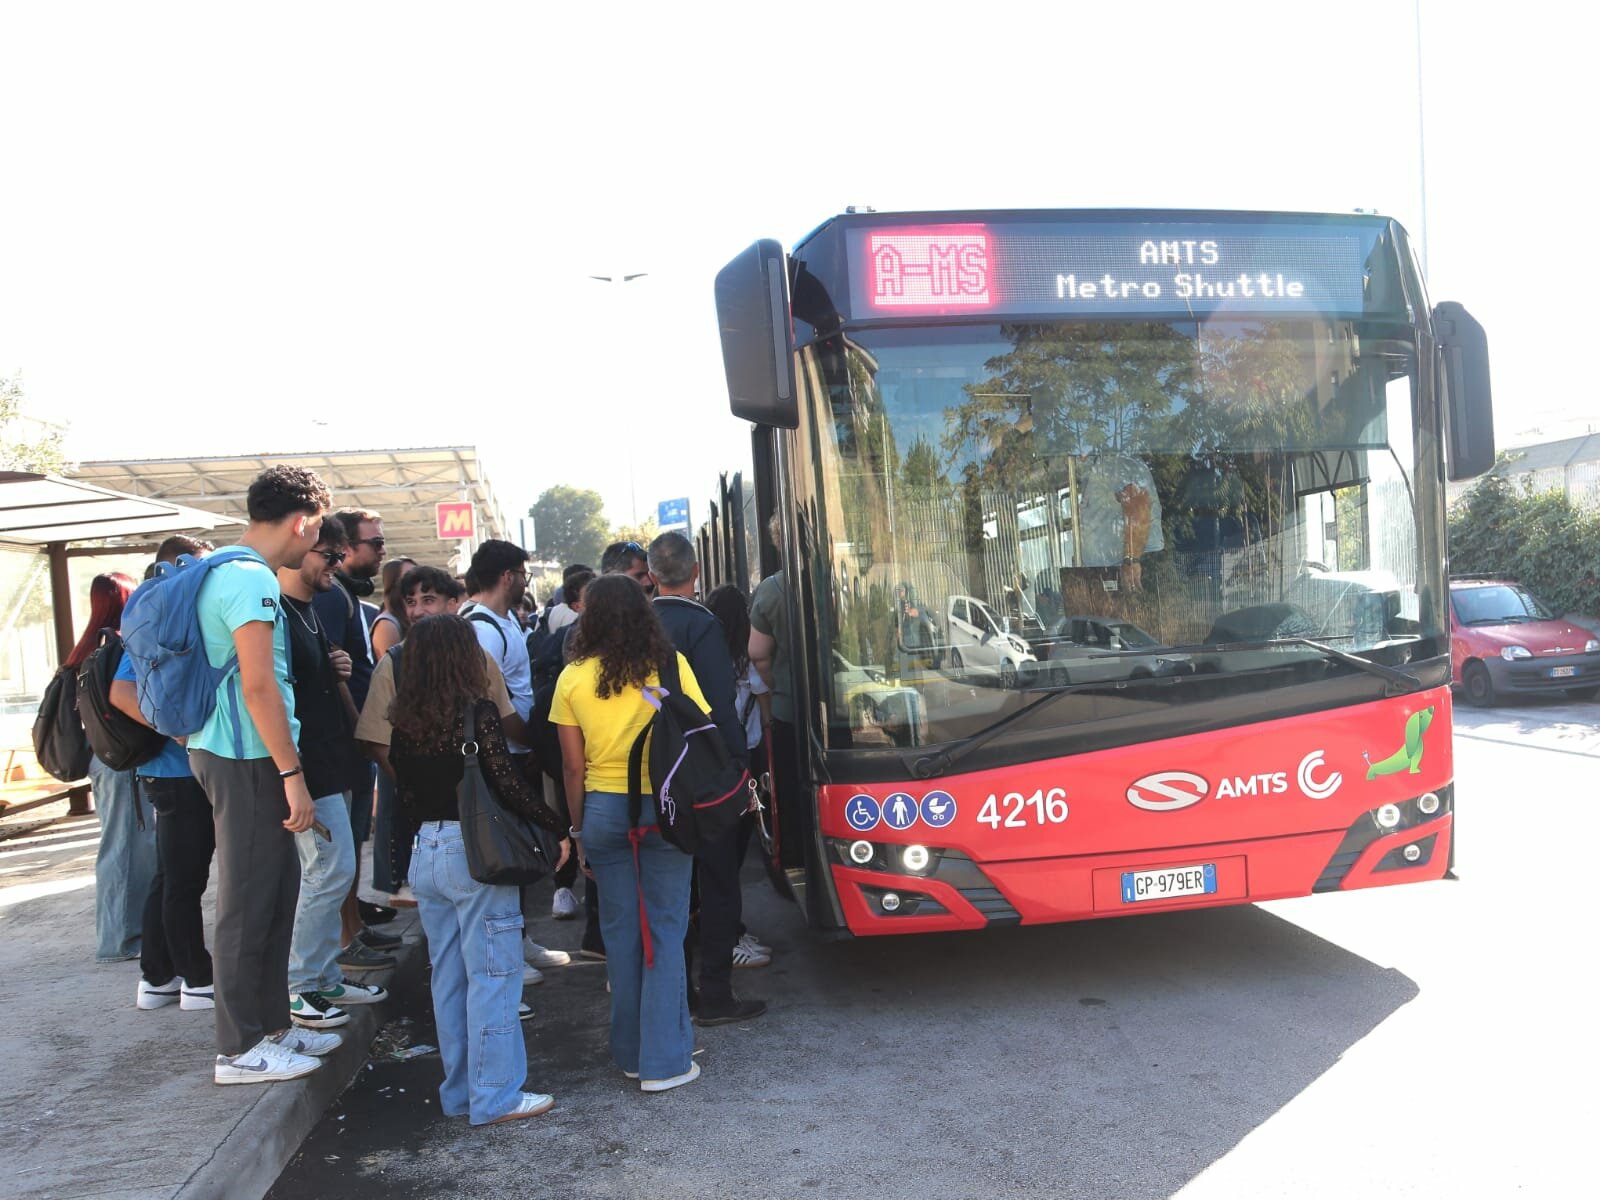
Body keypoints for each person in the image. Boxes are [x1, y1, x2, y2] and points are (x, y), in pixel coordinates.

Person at [187, 465, 342, 1085]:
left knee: (275, 896)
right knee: (248, 904)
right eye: (320, 529)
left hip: (239, 753)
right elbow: (258, 686)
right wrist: (291, 772)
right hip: (247, 757)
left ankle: (272, 1027)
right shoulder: (251, 579)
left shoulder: (227, 569)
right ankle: (238, 1047)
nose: (321, 542)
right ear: (302, 522)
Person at [388, 614, 567, 1125]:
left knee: (448, 979)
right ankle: (496, 1097)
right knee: (494, 976)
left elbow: (403, 793)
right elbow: (507, 784)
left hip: (427, 851)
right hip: (474, 855)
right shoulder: (477, 713)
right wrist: (556, 827)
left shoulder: (404, 721)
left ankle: (461, 1093)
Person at [551, 574, 711, 1092]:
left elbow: (571, 768)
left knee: (620, 934)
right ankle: (665, 1061)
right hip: (666, 807)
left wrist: (578, 831)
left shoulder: (572, 678)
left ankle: (630, 1053)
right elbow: (699, 732)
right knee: (665, 930)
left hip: (603, 811)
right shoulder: (671, 665)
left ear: (588, 618)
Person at [646, 532, 766, 1026]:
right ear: (696, 572)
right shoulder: (703, 625)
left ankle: (680, 992)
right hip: (705, 768)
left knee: (670, 888)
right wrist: (740, 768)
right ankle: (716, 991)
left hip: (652, 771)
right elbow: (721, 705)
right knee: (718, 882)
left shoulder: (636, 624)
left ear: (651, 576)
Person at [278, 518, 391, 1029]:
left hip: (328, 760)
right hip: (306, 768)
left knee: (336, 870)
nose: (337, 564)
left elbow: (316, 678)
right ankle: (302, 985)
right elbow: (266, 695)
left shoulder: (309, 608)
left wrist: (336, 667)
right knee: (327, 872)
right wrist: (292, 775)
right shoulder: (277, 612)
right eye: (329, 554)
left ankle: (322, 976)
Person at [111, 544, 214, 1010]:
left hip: (170, 773)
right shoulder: (155, 617)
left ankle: (157, 976)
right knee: (184, 880)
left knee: (170, 875)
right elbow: (121, 691)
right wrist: (175, 728)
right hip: (176, 773)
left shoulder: (160, 614)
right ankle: (196, 977)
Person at [460, 540, 570, 975]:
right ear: (508, 576)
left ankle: (517, 939)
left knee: (520, 850)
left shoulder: (503, 621)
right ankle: (504, 953)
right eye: (523, 574)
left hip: (517, 751)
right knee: (504, 854)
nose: (526, 581)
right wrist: (530, 741)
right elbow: (490, 703)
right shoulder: (482, 629)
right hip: (501, 755)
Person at [310, 509, 392, 936]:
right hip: (346, 739)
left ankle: (353, 928)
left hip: (355, 736)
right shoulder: (329, 594)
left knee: (354, 838)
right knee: (344, 844)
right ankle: (346, 936)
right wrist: (361, 729)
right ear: (345, 548)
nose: (382, 551)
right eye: (374, 543)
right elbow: (335, 669)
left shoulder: (343, 593)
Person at [70, 572, 157, 963]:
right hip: (122, 761)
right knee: (125, 846)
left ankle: (126, 932)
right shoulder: (117, 645)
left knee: (123, 843)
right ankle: (121, 939)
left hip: (103, 758)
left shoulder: (85, 647)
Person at [705, 583, 775, 969]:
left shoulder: (702, 659)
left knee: (717, 854)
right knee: (732, 852)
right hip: (743, 763)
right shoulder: (746, 664)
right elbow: (765, 713)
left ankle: (724, 928)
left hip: (710, 763)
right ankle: (730, 936)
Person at [528, 568, 597, 931]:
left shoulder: (556, 688)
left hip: (578, 780)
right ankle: (569, 893)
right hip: (590, 782)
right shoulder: (568, 684)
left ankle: (569, 894)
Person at [372, 556, 419, 900]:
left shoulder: (405, 621)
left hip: (409, 727)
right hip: (393, 729)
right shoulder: (388, 623)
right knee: (392, 809)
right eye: (409, 579)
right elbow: (392, 672)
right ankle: (393, 883)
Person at [370, 557, 417, 659]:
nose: (417, 582)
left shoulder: (411, 615)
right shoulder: (387, 625)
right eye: (410, 577)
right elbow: (391, 665)